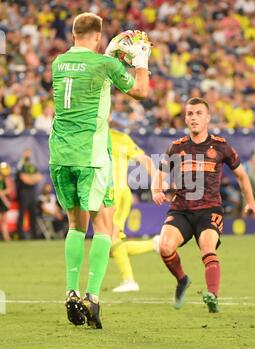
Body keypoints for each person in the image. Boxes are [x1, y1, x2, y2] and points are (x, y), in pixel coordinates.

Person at [49, 13, 151, 329]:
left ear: (74, 34)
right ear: (97, 36)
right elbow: (141, 92)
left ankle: (70, 291)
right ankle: (92, 296)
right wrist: (141, 61)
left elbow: (93, 80)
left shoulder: (58, 63)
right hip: (90, 157)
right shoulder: (103, 65)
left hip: (59, 155)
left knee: (75, 226)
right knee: (104, 227)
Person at [151, 97, 255, 313]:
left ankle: (212, 295)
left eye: (198, 113)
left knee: (207, 248)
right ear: (185, 118)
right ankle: (182, 279)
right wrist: (157, 190)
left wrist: (250, 201)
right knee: (164, 247)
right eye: (190, 114)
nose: (193, 118)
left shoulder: (220, 146)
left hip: (209, 210)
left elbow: (241, 175)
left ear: (208, 118)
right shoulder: (176, 147)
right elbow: (160, 173)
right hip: (181, 209)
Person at [109, 128, 158, 293]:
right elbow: (144, 159)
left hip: (112, 195)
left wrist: (156, 182)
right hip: (122, 193)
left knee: (111, 239)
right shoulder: (122, 138)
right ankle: (154, 244)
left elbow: (144, 159)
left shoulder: (94, 135)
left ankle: (129, 280)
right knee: (110, 248)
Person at [16, 149, 43, 240]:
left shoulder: (32, 166)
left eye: (29, 153)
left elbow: (39, 176)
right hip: (24, 192)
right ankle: (21, 234)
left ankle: (34, 234)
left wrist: (30, 178)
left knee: (33, 213)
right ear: (23, 154)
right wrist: (32, 178)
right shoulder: (21, 165)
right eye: (26, 153)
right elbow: (24, 179)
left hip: (32, 192)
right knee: (22, 214)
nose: (28, 154)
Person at [0, 162, 13, 241]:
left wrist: (2, 193)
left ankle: (6, 238)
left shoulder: (6, 179)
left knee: (4, 221)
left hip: (3, 202)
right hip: (2, 200)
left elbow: (9, 189)